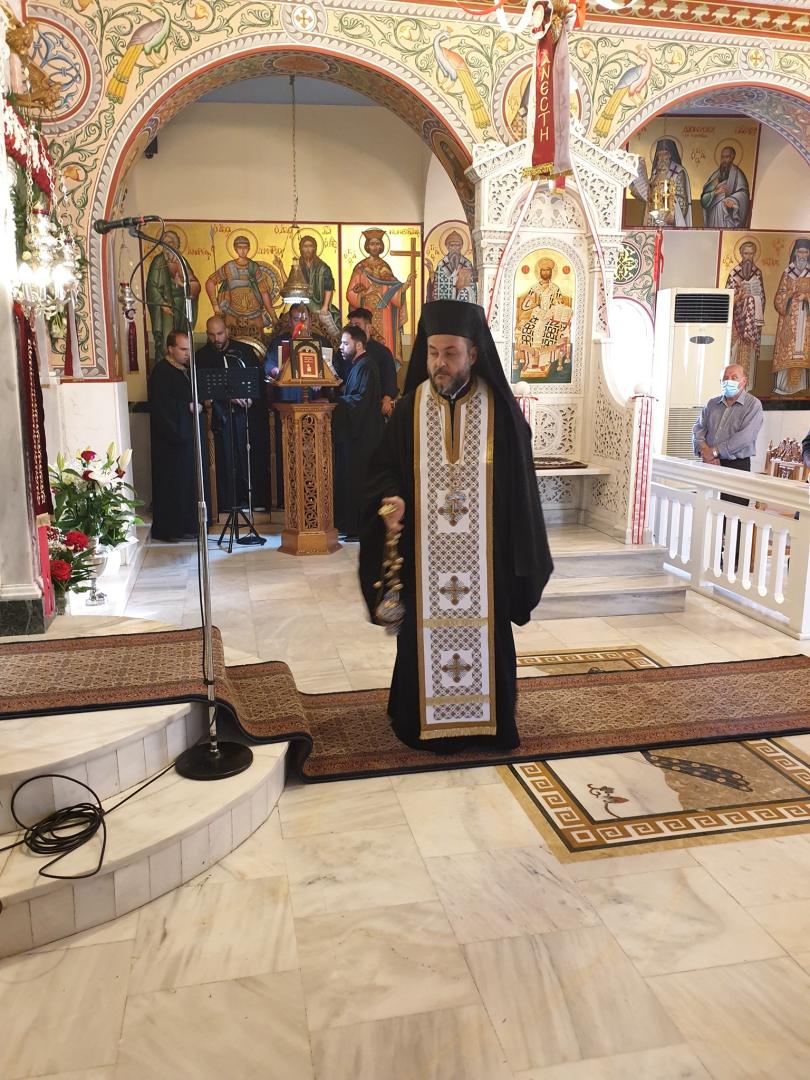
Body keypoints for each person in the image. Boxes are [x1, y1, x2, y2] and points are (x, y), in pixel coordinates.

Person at [359, 300, 553, 754]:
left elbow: (520, 491)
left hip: (486, 566)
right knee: (420, 638)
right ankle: (420, 723)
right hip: (423, 562)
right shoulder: (409, 409)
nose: (439, 364)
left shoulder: (500, 414)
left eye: (450, 353)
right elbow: (382, 469)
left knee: (487, 637)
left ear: (473, 353)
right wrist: (391, 498)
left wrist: (516, 557)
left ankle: (489, 726)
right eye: (432, 353)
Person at [692, 363, 763, 567]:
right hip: (710, 465)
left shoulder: (753, 405)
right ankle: (710, 560)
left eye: (734, 377)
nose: (728, 381)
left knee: (733, 517)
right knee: (708, 514)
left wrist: (715, 451)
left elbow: (745, 437)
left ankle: (732, 565)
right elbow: (697, 429)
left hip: (736, 466)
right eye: (725, 377)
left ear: (744, 381)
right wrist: (705, 451)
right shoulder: (712, 404)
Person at [196, 315, 268, 513]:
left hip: (247, 415)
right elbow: (203, 390)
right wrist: (227, 398)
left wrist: (251, 397)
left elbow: (258, 380)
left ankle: (254, 499)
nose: (216, 339)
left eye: (220, 334)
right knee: (227, 458)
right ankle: (229, 503)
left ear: (227, 331)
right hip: (221, 417)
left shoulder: (243, 352)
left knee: (249, 455)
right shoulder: (202, 357)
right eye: (212, 335)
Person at [148, 330, 205, 542]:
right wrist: (186, 407)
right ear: (170, 349)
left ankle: (189, 526)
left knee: (188, 483)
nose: (187, 354)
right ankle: (172, 529)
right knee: (173, 485)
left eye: (189, 349)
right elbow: (161, 406)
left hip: (186, 436)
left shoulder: (185, 370)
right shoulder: (162, 371)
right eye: (183, 349)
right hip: (171, 441)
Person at [333, 325, 384, 542]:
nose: (341, 347)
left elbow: (360, 400)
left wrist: (335, 404)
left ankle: (359, 529)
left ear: (359, 345)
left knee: (359, 482)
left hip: (364, 438)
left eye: (345, 343)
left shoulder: (366, 366)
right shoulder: (358, 366)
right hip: (356, 436)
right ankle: (349, 525)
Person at [346, 228, 413, 362]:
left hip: (384, 314)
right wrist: (364, 293)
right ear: (367, 246)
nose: (375, 247)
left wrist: (404, 287)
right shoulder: (361, 268)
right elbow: (350, 294)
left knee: (385, 348)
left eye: (377, 244)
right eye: (372, 244)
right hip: (367, 310)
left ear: (381, 246)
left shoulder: (385, 266)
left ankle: (386, 363)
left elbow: (394, 289)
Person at [205, 235, 280, 341]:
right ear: (235, 249)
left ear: (248, 249)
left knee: (258, 345)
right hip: (232, 316)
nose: (242, 250)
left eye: (245, 247)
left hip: (254, 316)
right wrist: (215, 305)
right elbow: (210, 282)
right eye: (240, 247)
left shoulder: (254, 267)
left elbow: (263, 291)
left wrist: (273, 316)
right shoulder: (228, 267)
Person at [145, 231, 200, 369]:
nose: (168, 246)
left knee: (182, 337)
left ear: (176, 245)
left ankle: (182, 368)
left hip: (182, 306)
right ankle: (164, 369)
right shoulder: (158, 261)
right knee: (166, 340)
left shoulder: (182, 261)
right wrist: (162, 303)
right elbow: (151, 287)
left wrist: (183, 284)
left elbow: (194, 284)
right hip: (166, 307)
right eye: (164, 243)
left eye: (171, 243)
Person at [772, 239, 810, 396]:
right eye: (800, 252)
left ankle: (801, 387)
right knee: (788, 350)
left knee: (802, 352)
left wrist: (806, 297)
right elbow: (779, 296)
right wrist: (790, 295)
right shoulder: (788, 272)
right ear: (795, 253)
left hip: (806, 321)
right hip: (789, 320)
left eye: (805, 252)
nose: (802, 255)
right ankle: (783, 387)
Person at [725, 241, 765, 385]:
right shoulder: (733, 273)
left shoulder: (757, 273)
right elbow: (727, 299)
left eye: (751, 253)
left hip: (751, 323)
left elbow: (763, 297)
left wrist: (755, 299)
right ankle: (731, 384)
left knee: (749, 355)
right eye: (746, 253)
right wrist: (739, 297)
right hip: (736, 323)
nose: (748, 257)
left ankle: (747, 387)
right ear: (741, 254)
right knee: (733, 353)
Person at [349, 307, 398, 417]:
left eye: (357, 325)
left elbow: (390, 380)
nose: (353, 329)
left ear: (369, 328)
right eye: (351, 326)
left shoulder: (382, 352)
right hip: (350, 405)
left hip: (375, 406)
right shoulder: (345, 350)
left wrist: (387, 399)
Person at [634, 138, 692, 228]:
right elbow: (648, 193)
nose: (662, 157)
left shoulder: (678, 171)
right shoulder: (655, 172)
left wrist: (672, 214)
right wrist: (641, 172)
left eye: (665, 154)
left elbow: (681, 198)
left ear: (670, 155)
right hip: (653, 219)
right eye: (659, 154)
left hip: (669, 220)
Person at [296, 234, 341, 342]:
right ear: (301, 249)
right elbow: (291, 284)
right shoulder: (298, 266)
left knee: (331, 326)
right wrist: (280, 268)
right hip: (302, 303)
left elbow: (329, 287)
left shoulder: (323, 267)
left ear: (314, 248)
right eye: (305, 246)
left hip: (319, 304)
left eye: (310, 246)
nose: (307, 249)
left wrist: (325, 306)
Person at [700, 146, 751, 229]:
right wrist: (716, 192)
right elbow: (704, 198)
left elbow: (743, 193)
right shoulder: (715, 175)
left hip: (727, 215)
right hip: (713, 214)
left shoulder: (737, 174)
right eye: (722, 157)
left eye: (727, 157)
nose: (724, 160)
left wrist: (733, 200)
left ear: (732, 158)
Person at [427, 230, 477, 304]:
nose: (455, 248)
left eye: (457, 245)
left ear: (461, 246)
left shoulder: (467, 264)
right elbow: (435, 287)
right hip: (445, 305)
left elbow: (472, 287)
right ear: (447, 246)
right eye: (452, 245)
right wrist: (432, 276)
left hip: (462, 306)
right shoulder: (441, 264)